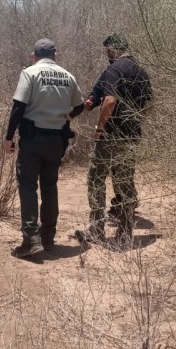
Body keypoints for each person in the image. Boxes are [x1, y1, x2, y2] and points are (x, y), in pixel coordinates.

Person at [5, 38, 84, 257]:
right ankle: (48, 236)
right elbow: (79, 105)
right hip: (57, 140)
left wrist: (9, 137)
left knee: (28, 186)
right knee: (50, 185)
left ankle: (31, 239)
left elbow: (18, 106)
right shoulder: (68, 76)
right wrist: (69, 116)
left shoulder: (29, 73)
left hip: (33, 139)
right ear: (55, 56)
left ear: (34, 56)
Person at [74, 35, 153, 247]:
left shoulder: (114, 70)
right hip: (131, 137)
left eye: (108, 50)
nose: (107, 54)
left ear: (112, 50)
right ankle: (125, 231)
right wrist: (135, 122)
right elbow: (149, 105)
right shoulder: (141, 72)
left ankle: (97, 230)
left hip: (111, 136)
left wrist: (100, 128)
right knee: (125, 183)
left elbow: (109, 100)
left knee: (96, 181)